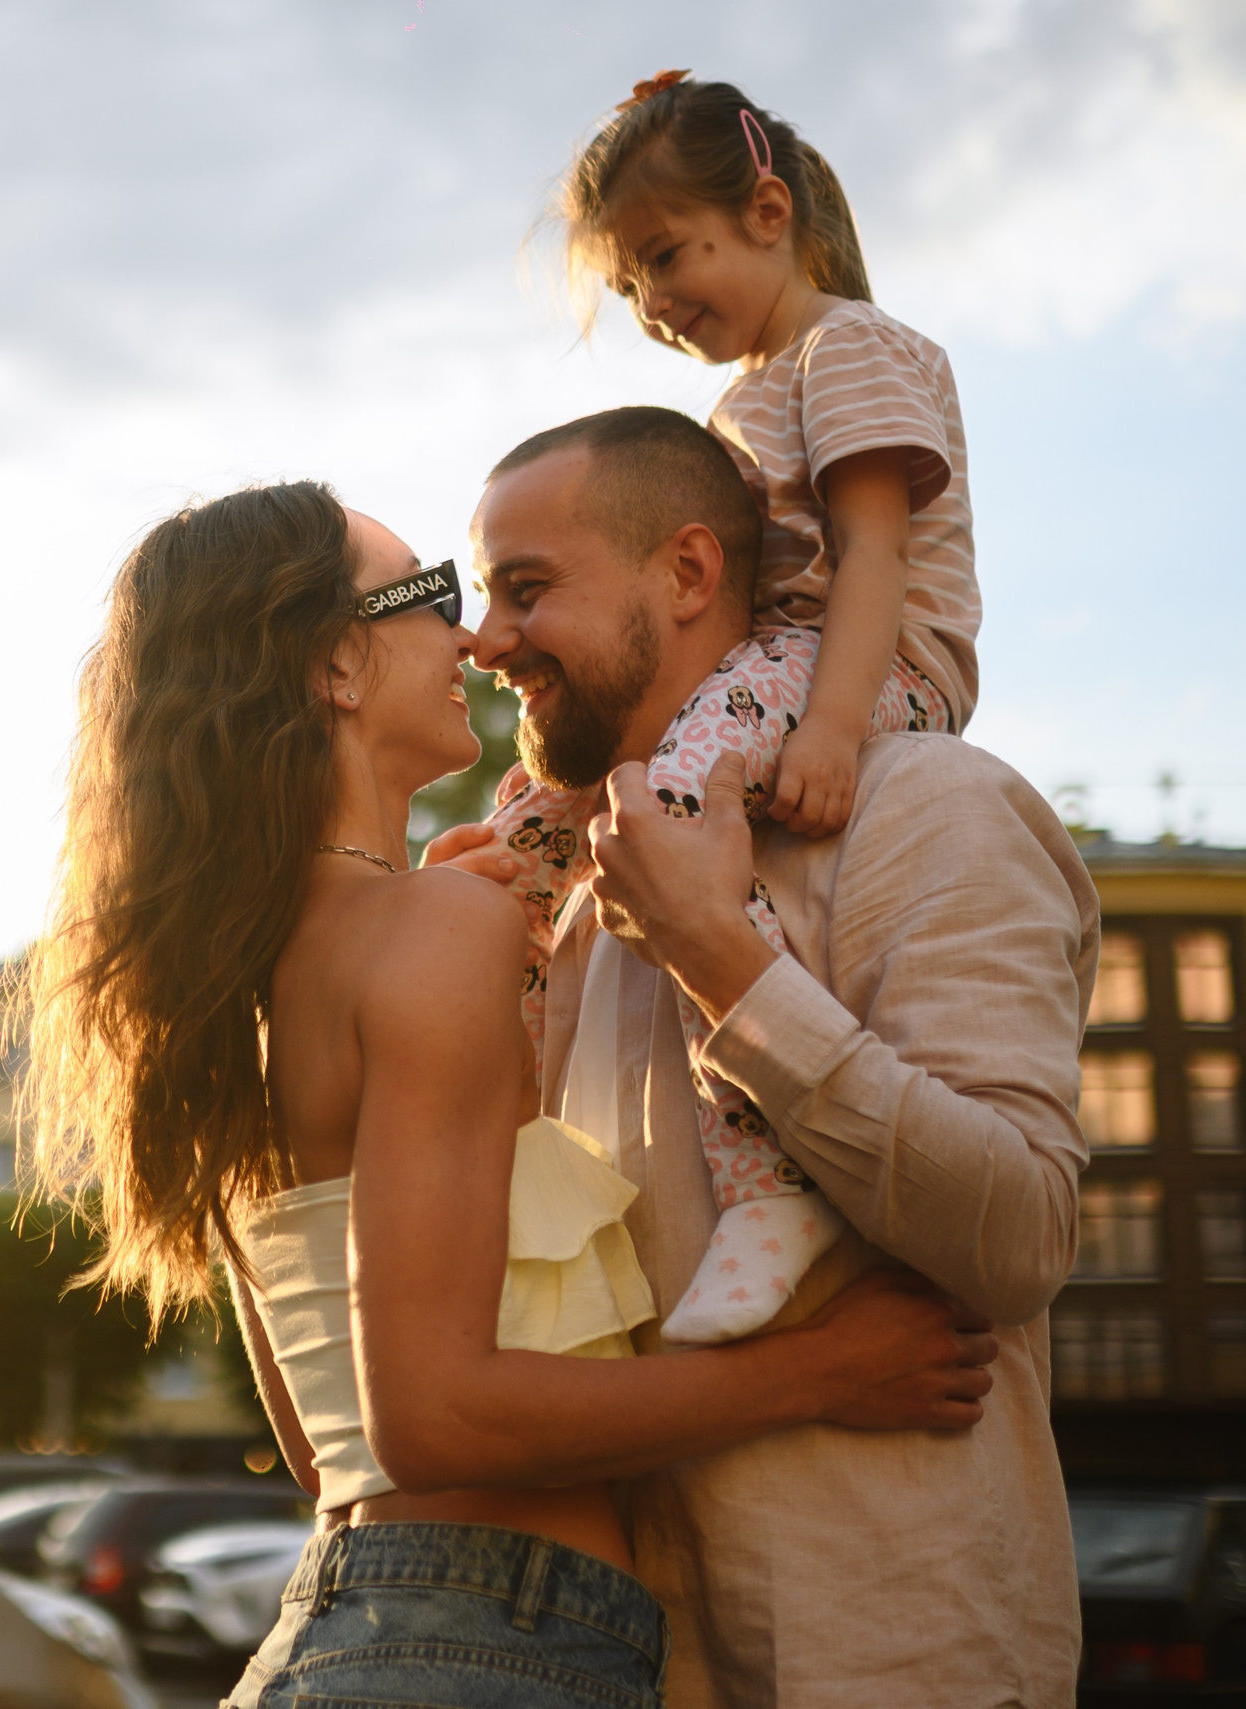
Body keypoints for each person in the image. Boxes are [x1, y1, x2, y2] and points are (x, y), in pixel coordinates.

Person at [8, 480, 1001, 1708]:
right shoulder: (428, 933)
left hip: (349, 1622)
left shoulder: (252, 982)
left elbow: (330, 1435)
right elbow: (431, 1417)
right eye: (429, 594)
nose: (472, 639)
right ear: (333, 664)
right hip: (484, 1644)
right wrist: (823, 1372)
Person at [462, 412, 1094, 1707]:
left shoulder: (930, 806)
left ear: (689, 575)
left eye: (527, 591)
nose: (486, 643)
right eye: (483, 600)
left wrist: (720, 957)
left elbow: (1023, 1236)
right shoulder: (576, 905)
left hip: (900, 1661)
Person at [482, 73, 981, 1345]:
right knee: (542, 813)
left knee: (675, 798)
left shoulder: (852, 349)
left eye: (663, 255)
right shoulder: (745, 393)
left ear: (767, 211)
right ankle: (521, 1113)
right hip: (772, 674)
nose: (652, 302)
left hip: (862, 665)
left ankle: (773, 1178)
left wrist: (831, 722)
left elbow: (870, 552)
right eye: (630, 283)